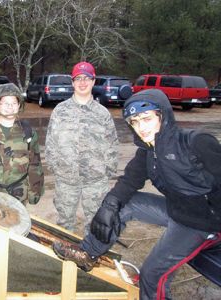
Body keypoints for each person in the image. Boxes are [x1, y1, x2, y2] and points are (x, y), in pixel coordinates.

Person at [52, 89, 221, 300]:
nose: (141, 128)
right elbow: (129, 181)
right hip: (176, 209)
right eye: (135, 122)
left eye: (147, 119)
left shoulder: (196, 142)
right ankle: (88, 253)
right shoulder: (148, 151)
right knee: (125, 203)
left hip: (203, 223)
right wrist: (109, 206)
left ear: (163, 116)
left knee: (151, 275)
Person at [45, 61, 118, 232]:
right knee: (64, 224)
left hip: (96, 181)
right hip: (66, 179)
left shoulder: (102, 113)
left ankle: (90, 255)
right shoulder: (60, 111)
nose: (82, 83)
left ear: (93, 82)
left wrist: (107, 171)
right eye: (78, 79)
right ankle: (64, 256)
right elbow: (50, 142)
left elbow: (112, 144)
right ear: (72, 82)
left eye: (87, 78)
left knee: (95, 225)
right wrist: (56, 167)